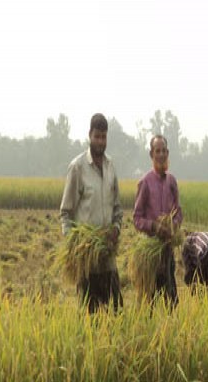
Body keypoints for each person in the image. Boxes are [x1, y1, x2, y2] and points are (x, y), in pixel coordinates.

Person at [60, 113, 123, 313]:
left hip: (108, 257)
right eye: (97, 136)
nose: (100, 141)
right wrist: (76, 244)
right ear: (90, 135)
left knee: (116, 311)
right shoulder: (77, 168)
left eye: (104, 137)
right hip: (87, 261)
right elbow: (65, 214)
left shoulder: (111, 166)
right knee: (90, 316)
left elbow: (118, 209)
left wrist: (116, 229)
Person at [133, 135, 182, 307]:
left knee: (172, 303)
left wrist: (173, 225)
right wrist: (154, 226)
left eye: (163, 151)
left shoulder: (172, 182)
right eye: (157, 151)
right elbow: (137, 219)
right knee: (150, 305)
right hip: (151, 256)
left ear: (168, 153)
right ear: (151, 154)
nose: (161, 154)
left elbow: (178, 212)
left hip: (167, 253)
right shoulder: (145, 183)